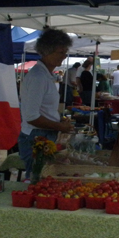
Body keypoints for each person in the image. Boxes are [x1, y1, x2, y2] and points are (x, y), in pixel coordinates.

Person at [18, 29, 74, 180]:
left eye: (65, 52)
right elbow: (32, 117)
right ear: (47, 51)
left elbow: (43, 109)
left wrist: (58, 119)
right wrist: (59, 126)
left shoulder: (45, 75)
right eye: (61, 52)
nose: (64, 56)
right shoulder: (38, 77)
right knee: (39, 180)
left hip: (43, 135)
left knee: (46, 180)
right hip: (36, 137)